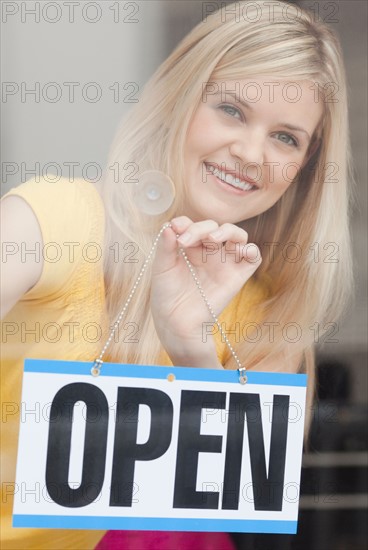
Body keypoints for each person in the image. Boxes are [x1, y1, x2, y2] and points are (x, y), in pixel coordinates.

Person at [0, 0, 353, 548]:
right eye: (231, 110)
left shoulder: (267, 315)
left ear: (305, 167)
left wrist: (193, 352)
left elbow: (233, 521)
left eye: (286, 137)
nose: (249, 151)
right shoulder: (54, 220)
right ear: (179, 99)